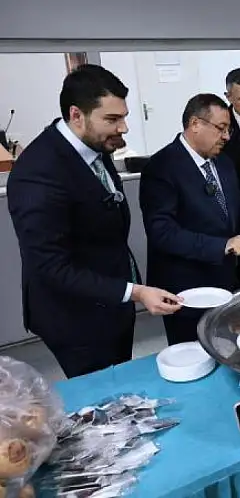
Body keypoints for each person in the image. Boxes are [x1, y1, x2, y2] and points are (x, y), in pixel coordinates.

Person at [6, 64, 181, 378]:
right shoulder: (38, 174)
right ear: (76, 115)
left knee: (119, 375)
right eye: (112, 120)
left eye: (123, 116)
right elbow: (50, 267)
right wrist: (136, 292)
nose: (123, 128)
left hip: (111, 300)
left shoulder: (94, 147)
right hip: (75, 317)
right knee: (102, 393)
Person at [140, 93, 240, 346]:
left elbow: (239, 210)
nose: (226, 136)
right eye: (221, 128)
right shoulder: (161, 167)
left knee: (228, 345)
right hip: (185, 287)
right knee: (194, 352)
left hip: (225, 280)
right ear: (195, 124)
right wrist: (222, 245)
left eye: (228, 130)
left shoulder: (223, 163)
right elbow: (162, 233)